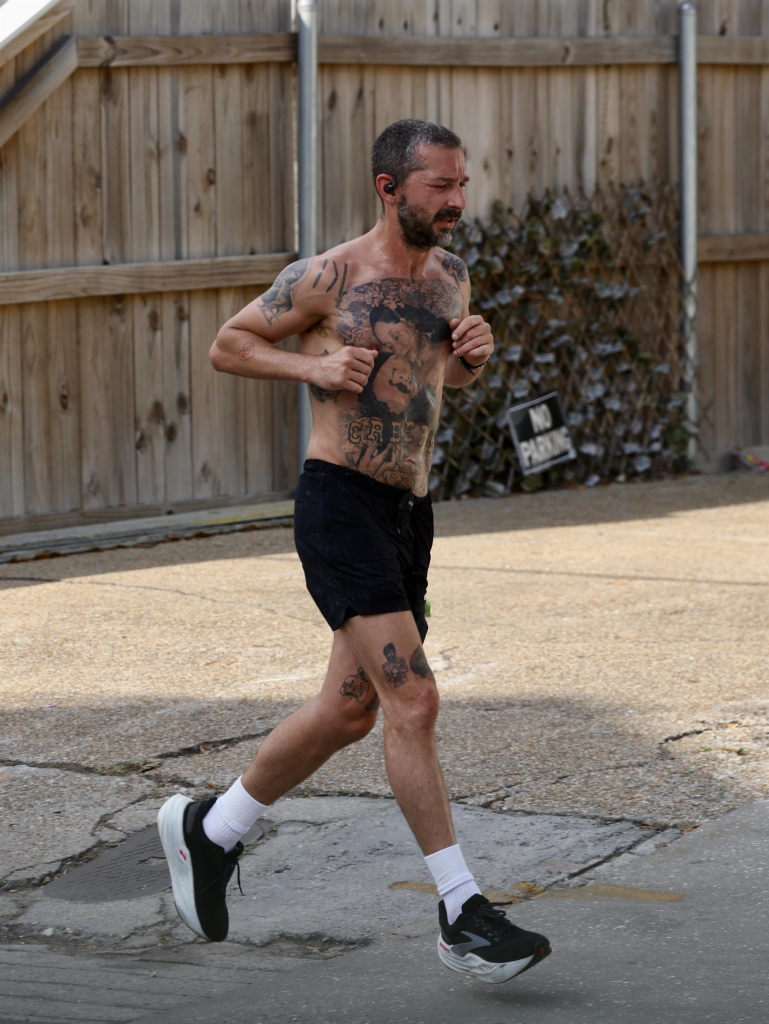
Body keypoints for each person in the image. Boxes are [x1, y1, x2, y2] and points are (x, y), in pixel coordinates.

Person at [158, 119, 551, 984]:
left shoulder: (451, 276)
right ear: (388, 188)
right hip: (339, 507)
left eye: (460, 184)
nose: (455, 202)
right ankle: (460, 912)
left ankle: (210, 833)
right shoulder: (327, 276)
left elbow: (426, 376)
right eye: (437, 187)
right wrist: (314, 370)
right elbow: (229, 344)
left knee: (348, 711)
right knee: (413, 702)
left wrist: (469, 363)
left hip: (408, 513)